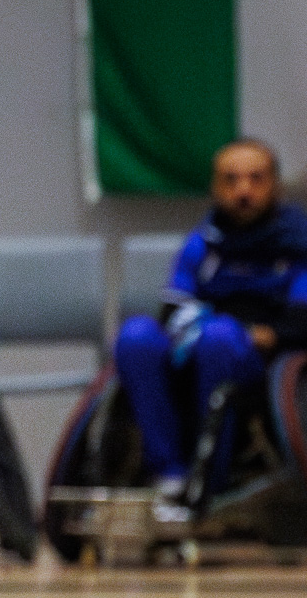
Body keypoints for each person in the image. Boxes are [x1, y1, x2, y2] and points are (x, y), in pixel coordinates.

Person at [113, 138, 307, 518]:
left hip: (262, 356)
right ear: (216, 188)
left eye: (256, 179)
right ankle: (168, 474)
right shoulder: (202, 243)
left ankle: (211, 480)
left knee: (219, 339)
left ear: (275, 187)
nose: (243, 190)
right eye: (231, 180)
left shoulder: (298, 243)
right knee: (136, 337)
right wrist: (187, 330)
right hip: (198, 341)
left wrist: (270, 334)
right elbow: (173, 307)